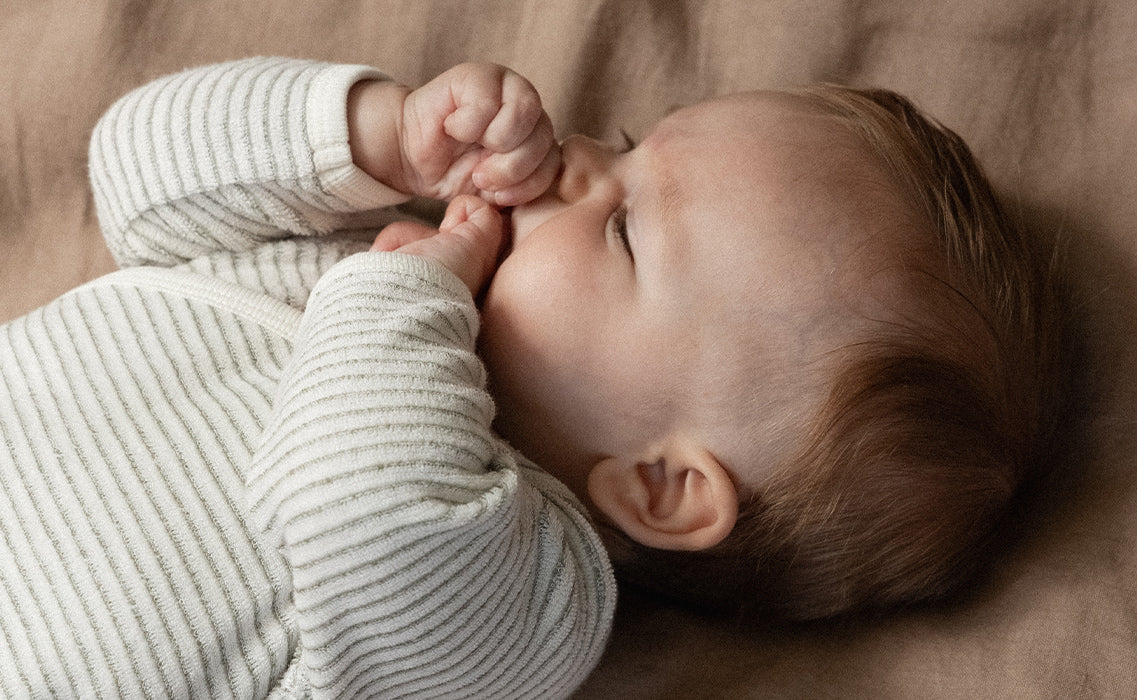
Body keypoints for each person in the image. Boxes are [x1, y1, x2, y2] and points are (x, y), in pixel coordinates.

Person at [0, 54, 1060, 697]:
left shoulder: (521, 591)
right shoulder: (363, 246)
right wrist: (379, 136)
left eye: (626, 225)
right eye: (629, 143)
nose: (581, 157)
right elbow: (135, 174)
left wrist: (406, 296)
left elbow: (348, 506)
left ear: (661, 484)